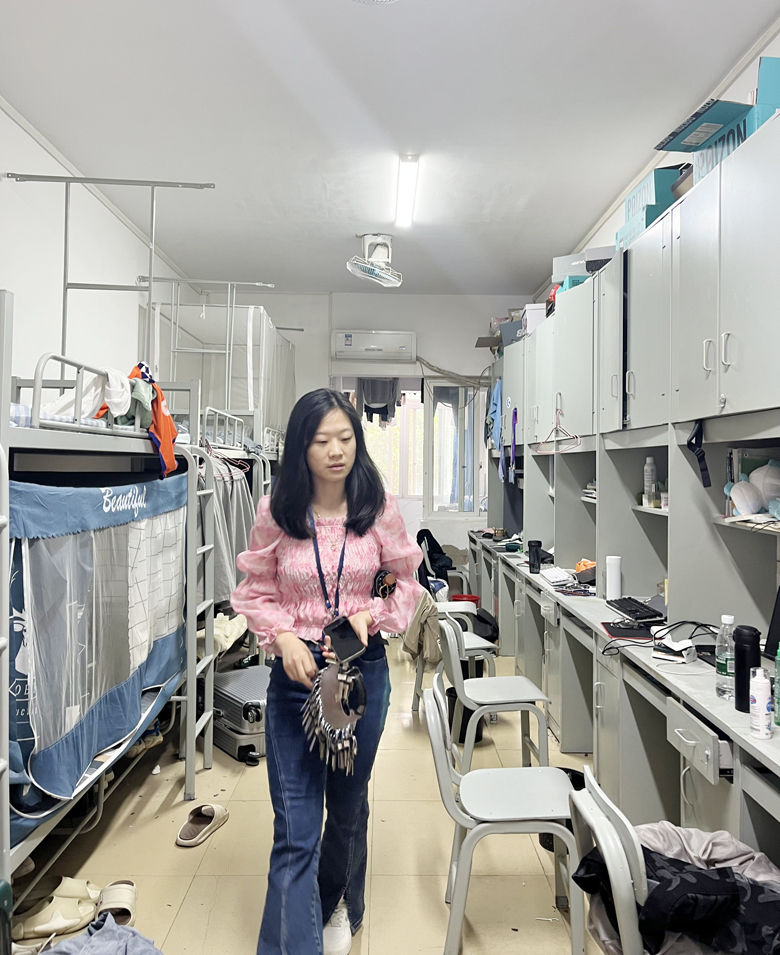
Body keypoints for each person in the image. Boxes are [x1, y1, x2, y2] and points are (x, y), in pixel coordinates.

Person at [232, 388, 423, 955]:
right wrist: (283, 634)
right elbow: (256, 587)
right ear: (300, 447)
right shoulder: (277, 512)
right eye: (322, 441)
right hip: (294, 679)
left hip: (361, 675)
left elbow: (399, 577)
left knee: (345, 809)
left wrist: (372, 608)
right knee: (295, 829)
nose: (336, 451)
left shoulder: (377, 508)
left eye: (346, 438)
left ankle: (338, 900)